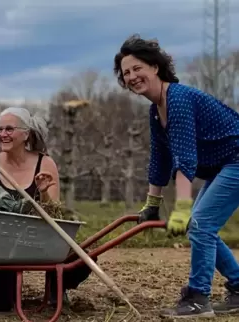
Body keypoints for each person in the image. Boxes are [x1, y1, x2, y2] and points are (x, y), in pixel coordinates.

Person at [114, 34, 239, 319]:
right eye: (126, 73)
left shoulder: (178, 99)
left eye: (137, 68)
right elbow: (160, 160)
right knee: (201, 225)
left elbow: (185, 159)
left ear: (155, 67)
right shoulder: (155, 111)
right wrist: (151, 204)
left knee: (200, 223)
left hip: (236, 160)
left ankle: (198, 298)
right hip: (224, 165)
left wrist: (182, 208)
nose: (132, 77)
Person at [0, 107, 94, 312]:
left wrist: (43, 193)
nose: (3, 134)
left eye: (9, 129)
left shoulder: (45, 164)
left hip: (39, 239)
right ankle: (7, 285)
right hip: (3, 243)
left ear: (26, 134)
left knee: (82, 259)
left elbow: (54, 215)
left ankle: (56, 286)